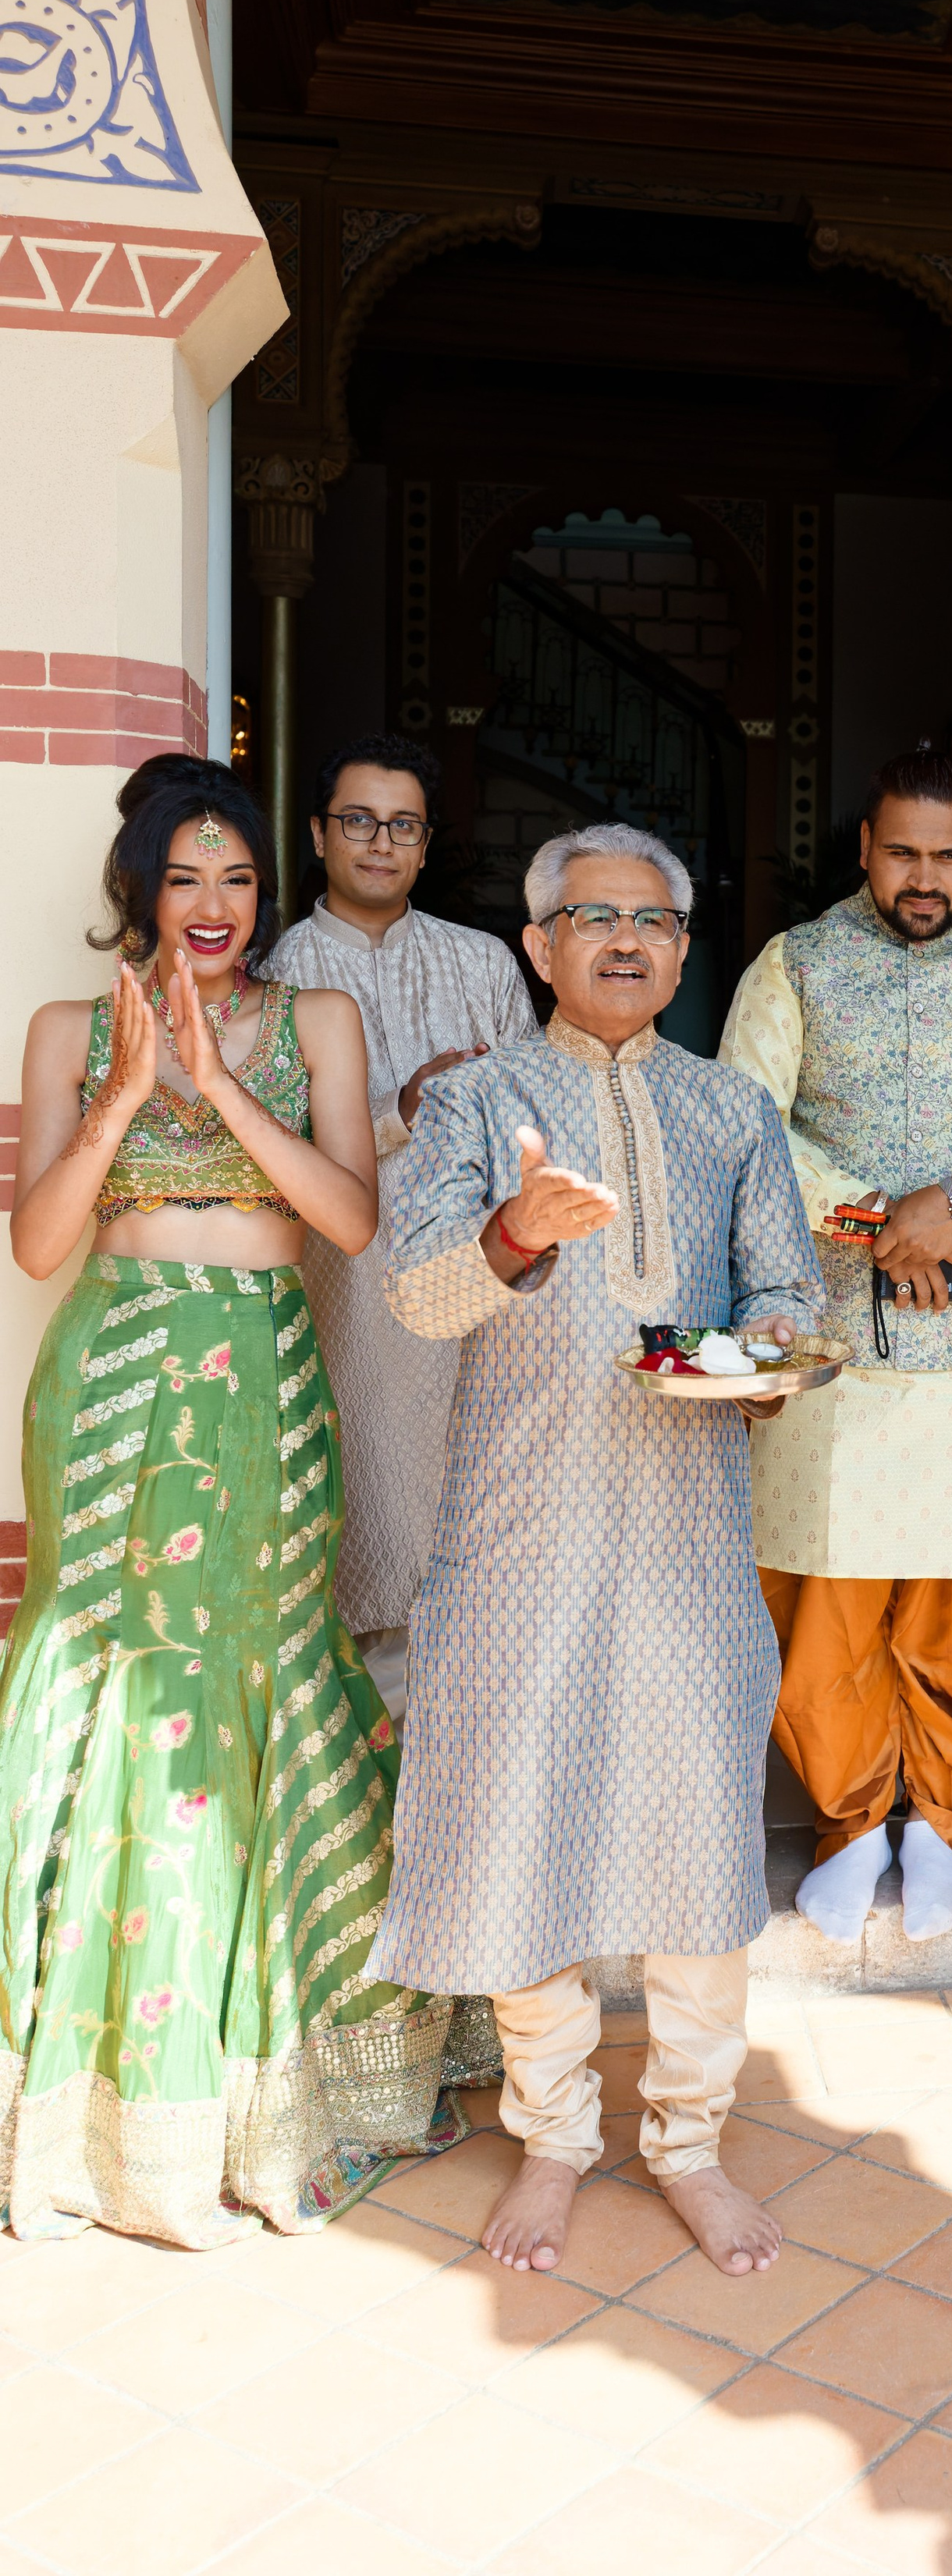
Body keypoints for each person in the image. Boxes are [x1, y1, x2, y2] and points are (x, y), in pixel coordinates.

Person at [0, 754, 460, 2245]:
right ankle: (90, 2097)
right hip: (114, 1380)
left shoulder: (318, 1015)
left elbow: (346, 1216)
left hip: (263, 1377)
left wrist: (214, 1090)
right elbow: (41, 1246)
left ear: (269, 892)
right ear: (139, 885)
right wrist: (129, 1088)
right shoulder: (68, 1028)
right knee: (110, 1670)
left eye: (239, 878)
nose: (213, 904)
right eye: (185, 876)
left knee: (253, 1677)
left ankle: (255, 2084)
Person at [372, 821, 823, 2280]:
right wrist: (515, 1231)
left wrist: (760, 1354)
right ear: (538, 945)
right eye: (593, 916)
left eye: (653, 918)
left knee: (694, 1826)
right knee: (520, 1820)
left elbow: (790, 1303)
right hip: (517, 1532)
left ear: (686, 950)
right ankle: (555, 2133)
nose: (625, 938)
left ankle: (688, 2142)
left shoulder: (733, 1109)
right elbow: (418, 1299)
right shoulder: (479, 1099)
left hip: (688, 1530)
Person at [719, 747, 952, 1946]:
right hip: (831, 1345)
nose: (923, 878)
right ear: (865, 850)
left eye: (947, 855)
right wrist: (872, 1221)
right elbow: (747, 1117)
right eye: (902, 854)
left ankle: (940, 1818)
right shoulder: (795, 965)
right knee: (827, 1597)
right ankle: (847, 1823)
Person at [268, 733, 538, 1725]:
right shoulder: (273, 968)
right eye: (358, 821)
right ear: (318, 834)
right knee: (368, 1528)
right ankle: (373, 1798)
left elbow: (533, 1118)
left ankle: (468, 1787)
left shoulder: (482, 960)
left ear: (426, 846)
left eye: (403, 825)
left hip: (481, 1298)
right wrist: (403, 1108)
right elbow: (261, 1138)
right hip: (344, 1299)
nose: (380, 843)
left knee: (478, 1543)